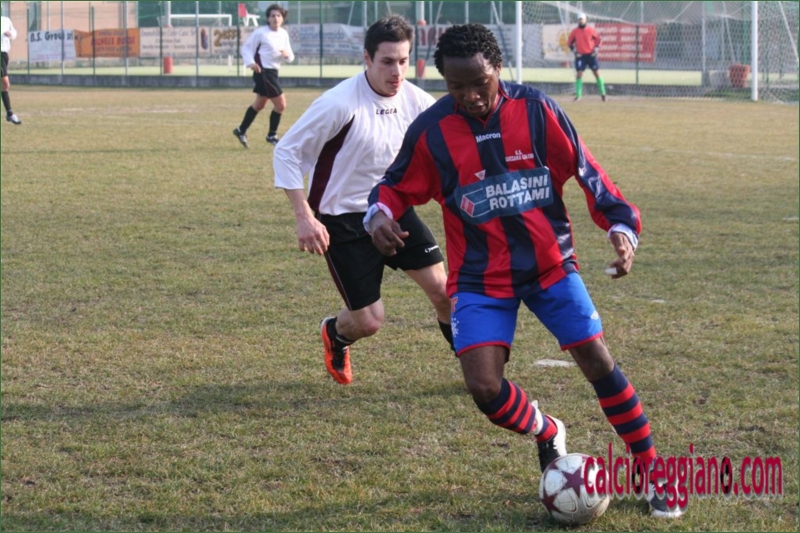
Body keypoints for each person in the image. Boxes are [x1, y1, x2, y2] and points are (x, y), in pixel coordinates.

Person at [365, 23, 685, 518]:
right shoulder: (432, 130)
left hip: (549, 265)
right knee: (483, 387)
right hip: (479, 277)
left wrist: (621, 227)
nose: (471, 96)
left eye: (480, 83)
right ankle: (547, 429)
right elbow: (394, 184)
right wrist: (379, 215)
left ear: (498, 69)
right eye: (457, 87)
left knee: (596, 359)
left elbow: (588, 171)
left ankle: (651, 470)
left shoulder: (537, 111)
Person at [273, 15, 452, 386]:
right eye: (387, 61)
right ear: (367, 58)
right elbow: (286, 152)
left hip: (392, 210)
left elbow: (448, 150)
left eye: (403, 61)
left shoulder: (418, 101)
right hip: (342, 220)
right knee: (369, 321)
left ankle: (478, 372)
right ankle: (335, 334)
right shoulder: (339, 103)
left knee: (444, 292)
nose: (396, 71)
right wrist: (304, 217)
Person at [233, 3, 294, 148]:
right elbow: (247, 48)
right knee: (281, 105)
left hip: (273, 72)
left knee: (259, 104)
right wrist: (251, 63)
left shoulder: (283, 34)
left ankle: (241, 130)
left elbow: (290, 55)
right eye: (272, 16)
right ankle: (272, 135)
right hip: (263, 72)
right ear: (268, 19)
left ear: (282, 18)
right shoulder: (261, 33)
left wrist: (287, 56)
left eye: (278, 15)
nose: (276, 18)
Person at [568, 13, 606, 102]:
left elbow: (598, 39)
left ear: (585, 20)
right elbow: (569, 42)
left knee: (597, 73)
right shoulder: (575, 31)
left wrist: (596, 49)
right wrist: (575, 52)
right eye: (579, 19)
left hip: (591, 55)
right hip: (581, 56)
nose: (580, 21)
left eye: (582, 19)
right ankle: (578, 95)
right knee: (579, 74)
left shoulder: (590, 30)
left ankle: (603, 94)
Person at [1, 12, 22, 124]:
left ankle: (9, 114)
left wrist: (10, 34)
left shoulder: (6, 20)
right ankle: (10, 113)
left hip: (4, 54)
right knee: (5, 83)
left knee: (5, 85)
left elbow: (14, 33)